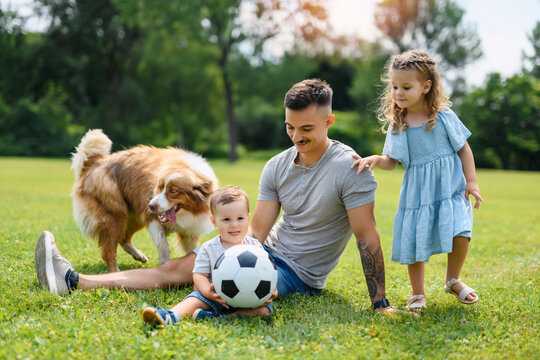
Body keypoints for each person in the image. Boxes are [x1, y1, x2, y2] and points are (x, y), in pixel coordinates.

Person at [35, 78, 402, 314]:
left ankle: (180, 313)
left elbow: (366, 236)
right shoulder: (276, 165)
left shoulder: (349, 168)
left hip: (300, 273)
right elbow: (256, 229)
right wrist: (223, 252)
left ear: (329, 121)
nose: (296, 136)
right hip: (262, 250)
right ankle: (72, 281)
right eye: (289, 127)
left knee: (226, 289)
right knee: (176, 268)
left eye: (306, 128)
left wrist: (380, 303)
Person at [351, 50, 483, 311]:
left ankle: (453, 279)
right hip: (418, 194)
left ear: (426, 86)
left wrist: (472, 181)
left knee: (460, 231)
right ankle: (417, 294)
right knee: (416, 239)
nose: (398, 93)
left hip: (450, 190)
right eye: (395, 86)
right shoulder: (399, 124)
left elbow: (464, 149)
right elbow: (392, 161)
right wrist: (378, 159)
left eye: (406, 87)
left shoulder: (444, 117)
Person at [142, 185, 276, 325]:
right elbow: (199, 275)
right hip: (215, 297)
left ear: (248, 218)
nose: (234, 225)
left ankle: (224, 318)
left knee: (265, 310)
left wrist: (271, 289)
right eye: (226, 220)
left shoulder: (255, 247)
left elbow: (268, 271)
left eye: (240, 218)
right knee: (194, 300)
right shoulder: (208, 248)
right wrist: (208, 292)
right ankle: (171, 315)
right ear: (214, 222)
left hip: (248, 298)